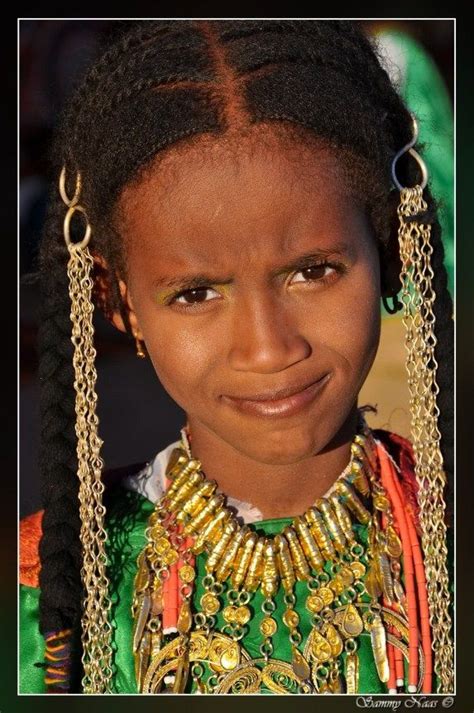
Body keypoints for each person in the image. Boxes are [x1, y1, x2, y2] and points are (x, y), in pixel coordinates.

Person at [19, 20, 454, 695]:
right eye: (195, 293)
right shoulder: (44, 599)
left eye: (314, 271)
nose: (269, 347)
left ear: (393, 252)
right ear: (119, 302)